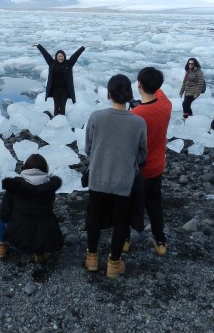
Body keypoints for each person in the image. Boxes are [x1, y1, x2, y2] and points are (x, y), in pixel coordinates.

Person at [84, 74, 147, 278]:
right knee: (121, 221)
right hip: (123, 181)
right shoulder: (138, 122)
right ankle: (113, 263)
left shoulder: (96, 117)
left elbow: (88, 148)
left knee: (94, 218)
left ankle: (92, 258)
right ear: (129, 95)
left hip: (97, 178)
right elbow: (142, 154)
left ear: (109, 94)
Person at [129, 67, 172, 256]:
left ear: (139, 85)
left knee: (128, 206)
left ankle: (124, 241)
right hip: (156, 168)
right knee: (154, 205)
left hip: (137, 171)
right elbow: (160, 93)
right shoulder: (166, 105)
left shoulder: (136, 114)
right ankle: (160, 241)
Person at [0, 154, 64, 263]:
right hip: (46, 243)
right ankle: (40, 252)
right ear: (45, 169)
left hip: (18, 244)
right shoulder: (50, 188)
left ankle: (1, 246)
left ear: (25, 168)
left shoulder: (14, 186)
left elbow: (4, 216)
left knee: (3, 209)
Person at [33, 44, 86, 116]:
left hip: (65, 90)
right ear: (56, 57)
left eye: (62, 56)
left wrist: (83, 48)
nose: (60, 58)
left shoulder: (68, 64)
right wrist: (39, 46)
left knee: (63, 106)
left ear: (64, 56)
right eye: (59, 56)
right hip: (55, 89)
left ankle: (62, 119)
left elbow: (75, 56)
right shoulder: (52, 63)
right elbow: (45, 54)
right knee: (56, 105)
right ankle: (56, 120)